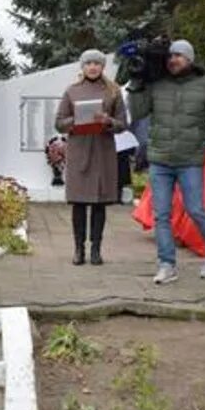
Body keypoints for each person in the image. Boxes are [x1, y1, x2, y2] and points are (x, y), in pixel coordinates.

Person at [128, 39, 205, 284]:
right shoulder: (156, 84)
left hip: (190, 159)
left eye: (178, 56)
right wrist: (138, 83)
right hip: (160, 158)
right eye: (170, 57)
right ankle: (167, 265)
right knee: (161, 215)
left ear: (190, 59)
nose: (172, 60)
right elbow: (138, 112)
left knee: (195, 209)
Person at [55, 49, 127, 265]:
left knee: (99, 204)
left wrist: (108, 121)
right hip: (79, 151)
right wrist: (76, 119)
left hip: (103, 152)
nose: (93, 67)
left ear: (103, 66)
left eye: (97, 63)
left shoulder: (113, 91)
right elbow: (59, 122)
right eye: (88, 64)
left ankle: (96, 249)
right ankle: (79, 250)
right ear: (82, 67)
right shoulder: (72, 91)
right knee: (78, 203)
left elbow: (123, 124)